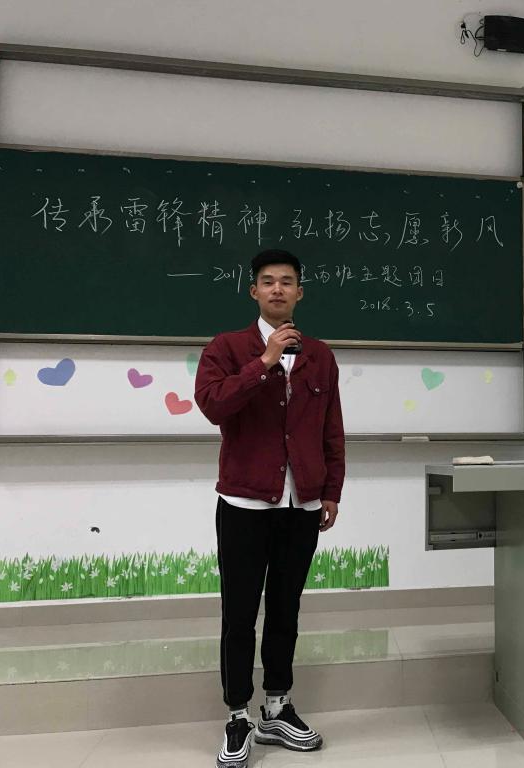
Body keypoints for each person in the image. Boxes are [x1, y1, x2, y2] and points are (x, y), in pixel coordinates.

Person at [195, 249, 345, 768]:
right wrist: (263, 362)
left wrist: (331, 491)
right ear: (253, 291)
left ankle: (276, 707)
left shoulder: (320, 356)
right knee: (239, 614)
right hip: (244, 503)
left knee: (286, 609)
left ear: (300, 292)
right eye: (267, 281)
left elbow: (331, 430)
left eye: (287, 281)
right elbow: (213, 404)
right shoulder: (227, 348)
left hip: (301, 503)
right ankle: (238, 715)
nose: (277, 289)